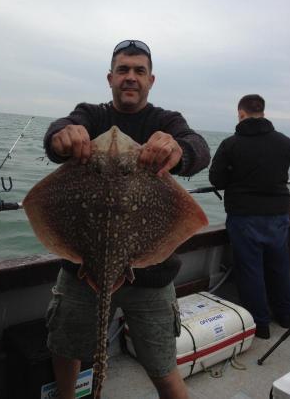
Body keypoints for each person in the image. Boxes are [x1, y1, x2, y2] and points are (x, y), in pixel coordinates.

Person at [43, 39, 210, 399]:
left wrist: (179, 150)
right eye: (123, 70)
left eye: (139, 71)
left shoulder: (166, 121)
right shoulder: (91, 114)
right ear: (110, 78)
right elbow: (62, 128)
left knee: (164, 369)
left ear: (151, 80)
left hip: (151, 274)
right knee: (65, 349)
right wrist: (60, 137)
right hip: (82, 267)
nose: (130, 77)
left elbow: (198, 148)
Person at [209, 94, 290, 340]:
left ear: (241, 114)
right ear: (263, 113)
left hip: (244, 217)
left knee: (250, 270)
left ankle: (260, 325)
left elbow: (216, 179)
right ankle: (285, 317)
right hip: (279, 215)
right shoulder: (284, 142)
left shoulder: (230, 144)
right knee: (280, 267)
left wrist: (234, 173)